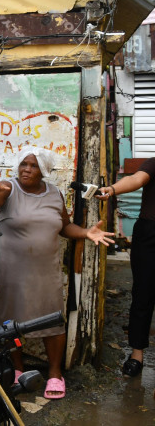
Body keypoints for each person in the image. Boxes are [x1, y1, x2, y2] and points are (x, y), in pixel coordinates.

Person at [0, 145, 113, 400]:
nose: (27, 170)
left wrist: (86, 232)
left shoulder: (54, 194)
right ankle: (17, 369)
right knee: (10, 321)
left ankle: (55, 373)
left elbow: (64, 226)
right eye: (23, 164)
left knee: (52, 321)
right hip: (10, 271)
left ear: (43, 171)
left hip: (46, 271)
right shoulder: (7, 189)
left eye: (33, 166)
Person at [96, 158, 155, 377]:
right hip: (150, 235)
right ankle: (137, 353)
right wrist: (111, 189)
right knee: (143, 294)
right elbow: (137, 179)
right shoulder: (154, 163)